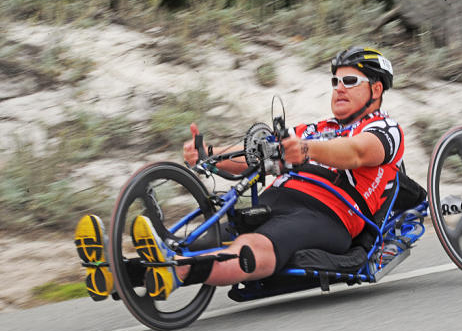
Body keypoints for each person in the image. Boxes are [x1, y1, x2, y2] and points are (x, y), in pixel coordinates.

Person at [74, 47, 404, 301]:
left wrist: (306, 150)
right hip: (277, 199)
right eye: (335, 82)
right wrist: (210, 155)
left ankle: (175, 272)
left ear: (375, 90)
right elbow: (254, 158)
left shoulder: (385, 128)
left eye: (350, 81)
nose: (339, 88)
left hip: (329, 214)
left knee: (252, 245)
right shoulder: (314, 128)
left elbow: (358, 152)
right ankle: (116, 273)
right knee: (205, 236)